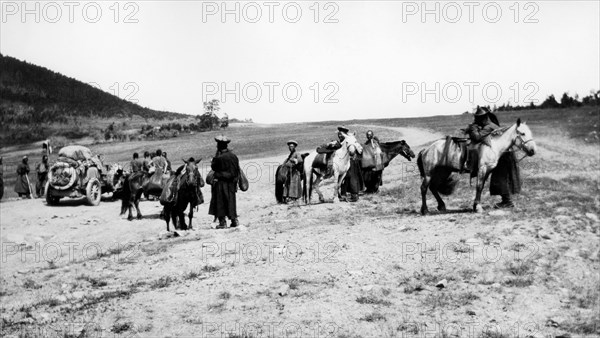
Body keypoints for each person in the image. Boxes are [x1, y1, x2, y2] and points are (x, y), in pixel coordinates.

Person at [465, 106, 521, 208]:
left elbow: (477, 137)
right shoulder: (492, 125)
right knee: (500, 179)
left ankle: (507, 202)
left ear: (483, 118)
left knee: (500, 179)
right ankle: (506, 201)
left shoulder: (488, 127)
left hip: (503, 156)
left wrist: (472, 128)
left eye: (478, 118)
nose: (476, 120)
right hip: (503, 154)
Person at [209, 135, 241, 229]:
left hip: (221, 182)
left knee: (220, 202)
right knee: (231, 201)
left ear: (219, 146)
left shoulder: (219, 158)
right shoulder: (234, 156)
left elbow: (214, 167)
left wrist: (214, 159)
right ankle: (234, 220)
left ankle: (222, 223)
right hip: (232, 183)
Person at [340, 129, 364, 202]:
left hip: (352, 162)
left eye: (341, 133)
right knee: (346, 179)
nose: (340, 135)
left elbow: (359, 150)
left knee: (352, 178)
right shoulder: (345, 141)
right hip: (347, 162)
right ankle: (345, 194)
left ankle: (354, 195)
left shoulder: (350, 140)